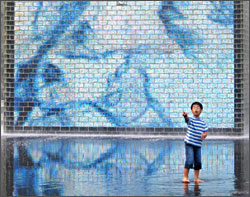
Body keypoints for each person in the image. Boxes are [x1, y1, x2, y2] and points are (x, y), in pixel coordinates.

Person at [182, 102, 208, 183]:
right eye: (194, 108)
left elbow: (205, 131)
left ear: (201, 110)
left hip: (198, 144)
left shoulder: (203, 122)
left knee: (198, 162)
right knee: (189, 160)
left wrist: (204, 135)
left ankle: (196, 178)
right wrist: (185, 116)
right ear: (192, 110)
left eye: (198, 108)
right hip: (189, 143)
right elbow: (187, 120)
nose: (196, 109)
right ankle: (185, 177)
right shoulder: (191, 119)